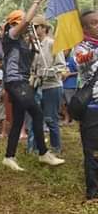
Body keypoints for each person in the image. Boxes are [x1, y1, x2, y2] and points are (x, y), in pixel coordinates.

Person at [1, 0, 64, 171]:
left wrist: (32, 43)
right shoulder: (11, 35)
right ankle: (43, 153)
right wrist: (37, 2)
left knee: (19, 120)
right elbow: (28, 18)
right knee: (37, 113)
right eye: (23, 23)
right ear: (15, 23)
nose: (28, 26)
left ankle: (9, 157)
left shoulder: (23, 41)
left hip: (22, 81)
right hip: (15, 82)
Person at [31, 15, 66, 154]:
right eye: (32, 28)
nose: (33, 30)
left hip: (52, 86)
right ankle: (37, 147)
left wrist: (46, 72)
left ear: (43, 28)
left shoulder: (52, 43)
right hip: (37, 86)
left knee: (51, 119)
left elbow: (61, 66)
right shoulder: (34, 46)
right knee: (37, 118)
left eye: (36, 27)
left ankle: (56, 148)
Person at [73, 10, 98, 202]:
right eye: (95, 23)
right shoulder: (81, 48)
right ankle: (93, 193)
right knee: (92, 151)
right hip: (92, 107)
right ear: (85, 28)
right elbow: (81, 60)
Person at [62, 48, 78, 124]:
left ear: (69, 51)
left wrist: (69, 74)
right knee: (63, 104)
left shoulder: (72, 60)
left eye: (65, 50)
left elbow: (78, 71)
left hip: (70, 85)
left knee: (70, 103)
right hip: (62, 84)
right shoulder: (61, 60)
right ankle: (66, 118)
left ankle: (74, 118)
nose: (63, 52)